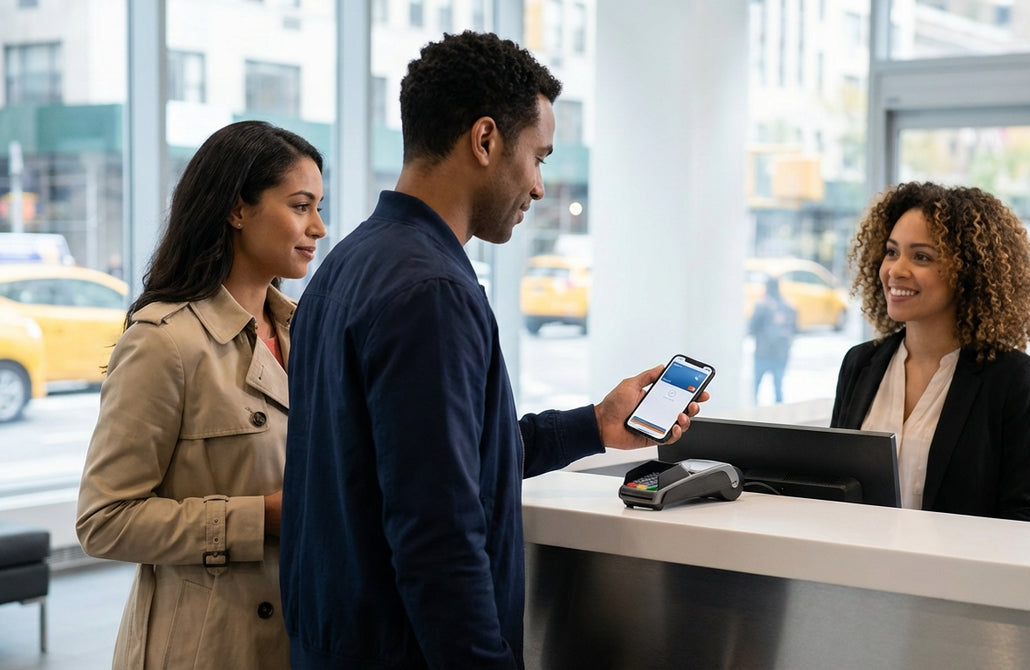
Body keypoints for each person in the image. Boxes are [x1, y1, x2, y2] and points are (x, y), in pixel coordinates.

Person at [280, 31, 708, 669]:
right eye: (538, 157)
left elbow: (435, 464)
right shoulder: (432, 291)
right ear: (485, 140)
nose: (539, 187)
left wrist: (594, 425)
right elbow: (438, 534)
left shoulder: (349, 264)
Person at [75, 120, 325, 670]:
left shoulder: (309, 332)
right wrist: (261, 518)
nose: (319, 227)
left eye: (318, 207)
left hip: (299, 637)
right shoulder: (165, 343)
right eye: (301, 206)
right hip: (203, 649)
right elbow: (104, 520)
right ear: (238, 210)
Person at [830, 182, 1030, 523]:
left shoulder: (1013, 378)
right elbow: (833, 488)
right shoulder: (860, 364)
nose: (896, 270)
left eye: (921, 256)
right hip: (857, 572)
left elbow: (1029, 518)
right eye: (892, 251)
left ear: (969, 272)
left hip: (959, 574)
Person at [748, 276, 796, 404]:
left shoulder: (761, 305)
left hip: (763, 352)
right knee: (778, 388)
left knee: (756, 387)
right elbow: (794, 330)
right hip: (781, 353)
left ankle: (753, 414)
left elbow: (751, 328)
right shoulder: (788, 305)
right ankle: (779, 417)